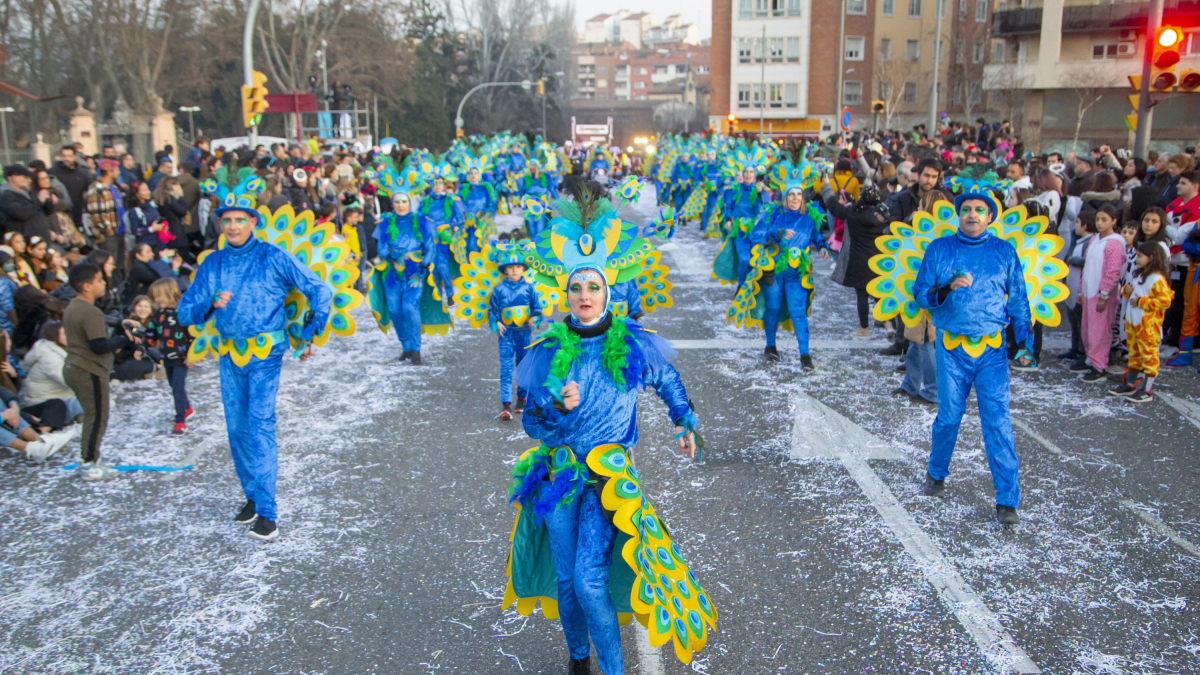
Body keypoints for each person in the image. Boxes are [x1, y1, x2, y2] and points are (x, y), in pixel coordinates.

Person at [505, 178, 712, 674]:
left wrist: (685, 420)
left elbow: (667, 379)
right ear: (566, 292)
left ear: (607, 291)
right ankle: (580, 661)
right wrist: (555, 406)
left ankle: (614, 669)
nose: (583, 295)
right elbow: (533, 422)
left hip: (607, 480)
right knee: (564, 581)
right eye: (575, 287)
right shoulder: (547, 352)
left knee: (589, 580)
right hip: (558, 476)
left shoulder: (632, 342)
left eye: (592, 286)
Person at [177, 190, 333, 541]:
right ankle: (251, 496)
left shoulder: (272, 255)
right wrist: (210, 302)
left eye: (239, 220)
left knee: (260, 427)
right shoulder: (213, 263)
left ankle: (267, 512)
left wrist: (309, 333)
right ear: (221, 223)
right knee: (237, 430)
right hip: (230, 355)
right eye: (227, 220)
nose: (233, 226)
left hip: (266, 355)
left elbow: (319, 289)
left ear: (253, 222)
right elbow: (185, 311)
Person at [913, 190, 1033, 525]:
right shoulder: (940, 249)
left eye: (980, 210)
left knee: (997, 421)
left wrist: (1024, 343)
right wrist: (946, 287)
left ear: (991, 217)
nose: (972, 215)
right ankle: (936, 474)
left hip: (992, 350)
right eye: (966, 209)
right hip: (951, 348)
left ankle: (1007, 501)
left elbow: (1019, 301)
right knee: (949, 416)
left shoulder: (1004, 251)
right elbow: (921, 294)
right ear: (958, 214)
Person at [62, 262, 133, 481]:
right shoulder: (90, 311)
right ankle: (88, 462)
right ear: (87, 286)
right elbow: (98, 345)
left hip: (75, 365)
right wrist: (121, 340)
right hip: (87, 368)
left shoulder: (73, 306)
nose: (103, 284)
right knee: (97, 416)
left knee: (96, 414)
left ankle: (93, 458)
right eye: (99, 280)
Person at [751, 182, 829, 369]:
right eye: (791, 194)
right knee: (774, 309)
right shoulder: (774, 214)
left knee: (798, 312)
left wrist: (823, 246)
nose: (795, 198)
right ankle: (770, 346)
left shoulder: (809, 218)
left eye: (798, 194)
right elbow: (756, 234)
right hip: (774, 272)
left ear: (803, 197)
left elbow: (816, 235)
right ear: (785, 197)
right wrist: (777, 233)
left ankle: (805, 355)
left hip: (797, 274)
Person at [370, 191, 437, 363]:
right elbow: (382, 249)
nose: (401, 205)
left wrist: (422, 267)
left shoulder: (421, 221)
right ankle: (406, 346)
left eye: (404, 201)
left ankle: (415, 349)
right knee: (394, 310)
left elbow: (430, 248)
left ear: (410, 203)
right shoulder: (385, 223)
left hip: (415, 273)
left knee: (409, 307)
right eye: (397, 201)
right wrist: (395, 256)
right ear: (393, 204)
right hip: (391, 273)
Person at [822, 179, 890, 337]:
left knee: (862, 294)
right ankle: (889, 324)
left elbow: (833, 206)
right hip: (878, 260)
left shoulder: (852, 213)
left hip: (857, 260)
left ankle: (865, 329)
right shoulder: (882, 217)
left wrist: (826, 185)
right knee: (880, 292)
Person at [1111, 243, 1173, 402]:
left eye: (1139, 256)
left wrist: (1141, 302)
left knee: (1149, 357)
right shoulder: (1139, 275)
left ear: (1151, 258)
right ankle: (1131, 383)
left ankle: (1147, 390)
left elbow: (1164, 301)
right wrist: (1127, 291)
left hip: (1148, 327)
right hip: (1134, 324)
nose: (1136, 258)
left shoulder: (1157, 279)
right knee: (1135, 355)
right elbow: (1129, 291)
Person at [488, 245, 542, 420]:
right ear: (505, 270)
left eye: (518, 266)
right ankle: (506, 404)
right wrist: (496, 322)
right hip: (507, 335)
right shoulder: (499, 290)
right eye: (510, 267)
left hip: (524, 334)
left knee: (523, 365)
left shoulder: (529, 288)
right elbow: (492, 310)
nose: (514, 270)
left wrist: (536, 318)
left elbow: (537, 308)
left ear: (523, 268)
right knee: (506, 368)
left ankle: (521, 399)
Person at [1078, 205, 1127, 382]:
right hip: (1089, 291)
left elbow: (1113, 271)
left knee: (1100, 331)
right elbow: (1087, 265)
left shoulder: (1115, 242)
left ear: (1114, 221)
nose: (1099, 223)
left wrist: (1104, 294)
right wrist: (1080, 289)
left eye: (1104, 219)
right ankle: (1091, 359)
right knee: (1088, 329)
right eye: (1098, 219)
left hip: (1102, 295)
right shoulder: (1095, 239)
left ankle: (1099, 366)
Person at [146, 278, 194, 436]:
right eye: (155, 296)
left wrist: (192, 355)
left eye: (160, 296)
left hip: (181, 357)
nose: (157, 300)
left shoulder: (183, 312)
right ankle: (187, 407)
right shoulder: (159, 313)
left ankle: (180, 420)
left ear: (171, 293)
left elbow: (192, 334)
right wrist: (145, 345)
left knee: (178, 388)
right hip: (166, 356)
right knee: (174, 386)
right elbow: (152, 332)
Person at [19, 322, 85, 429]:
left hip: (58, 397)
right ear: (54, 337)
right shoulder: (49, 358)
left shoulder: (63, 350)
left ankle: (79, 416)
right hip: (42, 403)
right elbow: (70, 380)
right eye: (65, 334)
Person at [0, 164, 54, 241]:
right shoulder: (6, 196)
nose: (29, 180)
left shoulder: (29, 193)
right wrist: (39, 201)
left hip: (40, 241)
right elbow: (20, 213)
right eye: (26, 177)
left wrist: (48, 199)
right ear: (14, 177)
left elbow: (47, 212)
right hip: (25, 243)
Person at [47, 145, 92, 229]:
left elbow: (89, 192)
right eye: (64, 156)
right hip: (59, 216)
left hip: (78, 216)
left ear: (74, 156)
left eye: (69, 156)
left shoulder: (83, 174)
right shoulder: (52, 173)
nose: (66, 159)